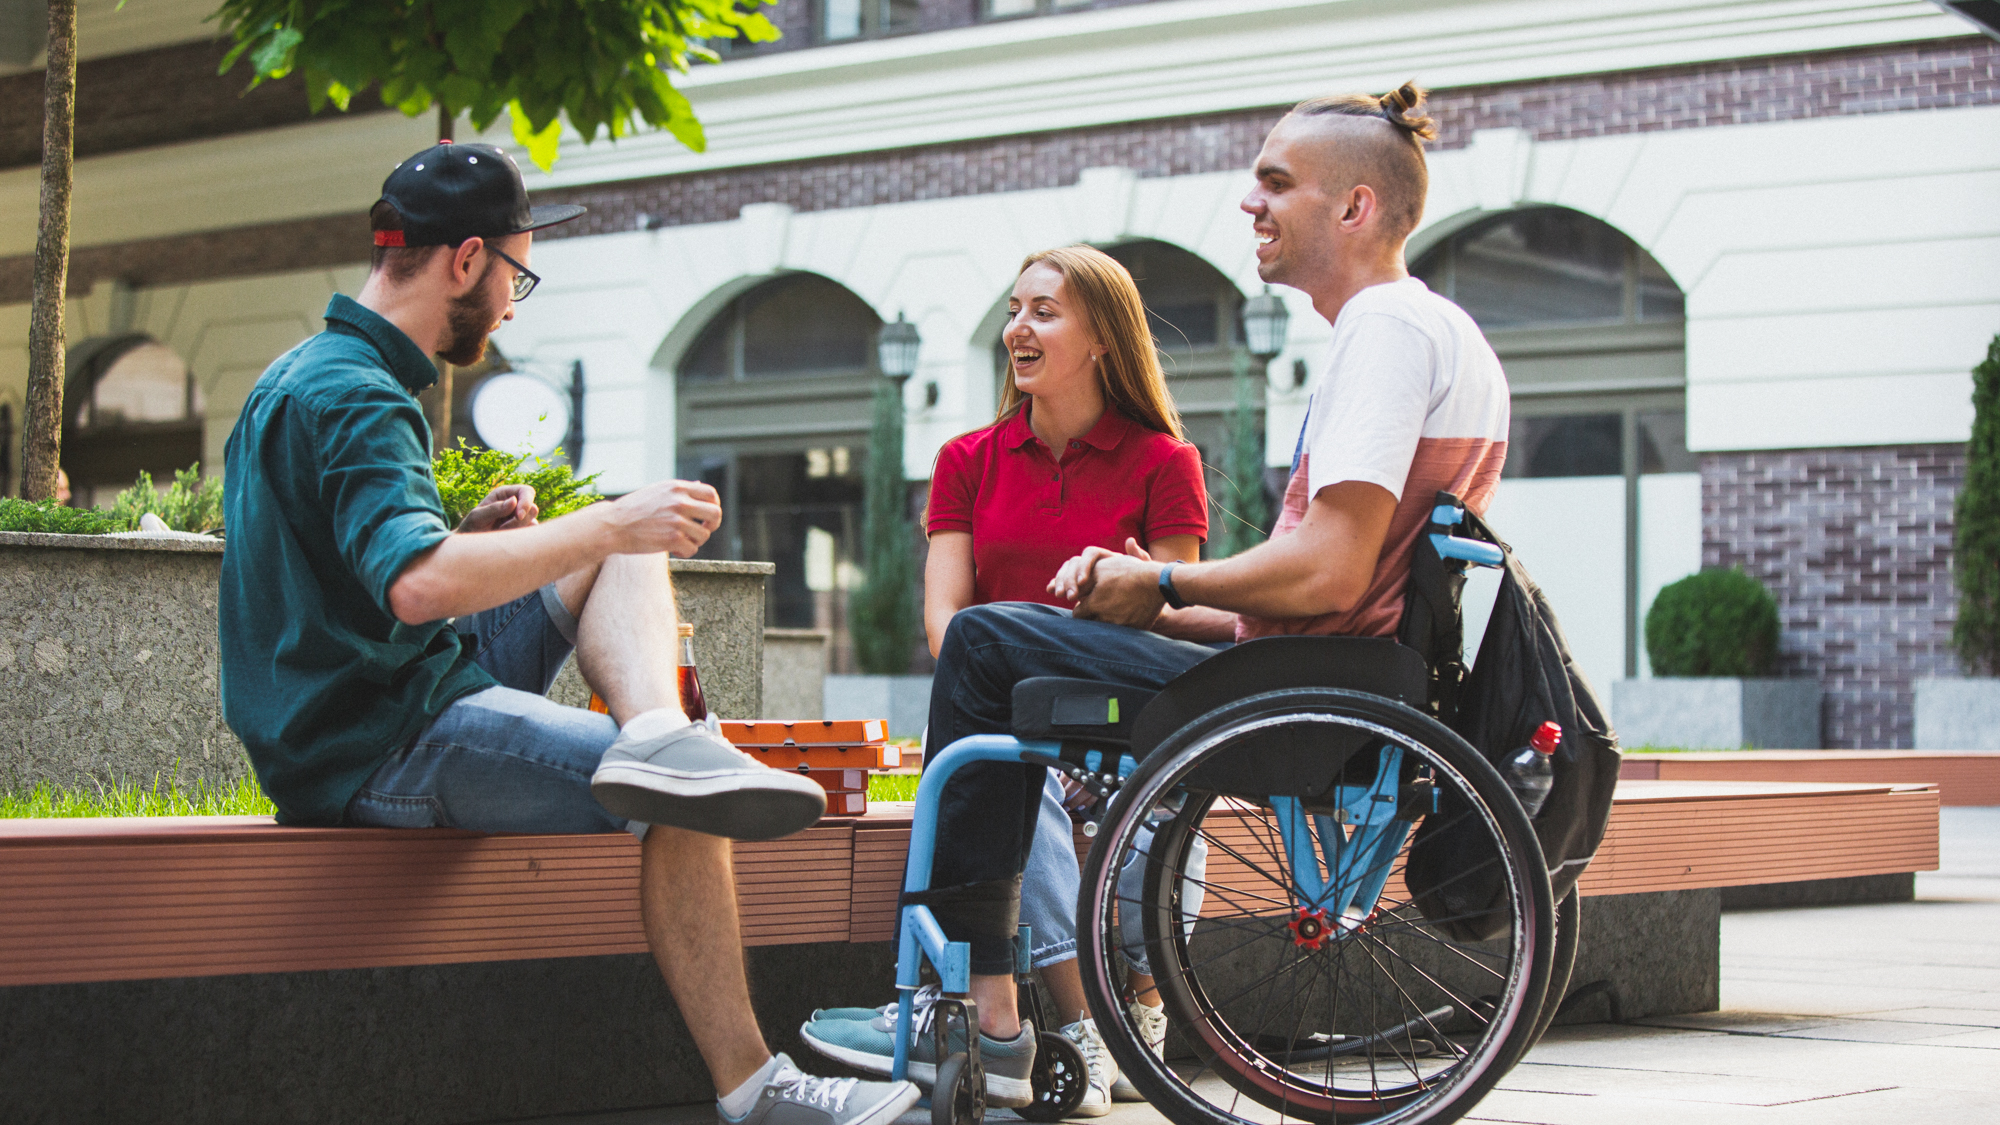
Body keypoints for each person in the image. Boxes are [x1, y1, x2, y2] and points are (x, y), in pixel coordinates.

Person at [806, 81, 1509, 1086]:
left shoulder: (1384, 331)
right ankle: (994, 1013)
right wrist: (1159, 591)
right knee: (995, 643)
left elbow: (1330, 569)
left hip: (1304, 685)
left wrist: (1163, 588)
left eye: (1275, 183)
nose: (1248, 204)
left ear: (1352, 208)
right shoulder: (1446, 332)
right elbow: (1337, 579)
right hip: (1339, 673)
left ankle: (971, 1013)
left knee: (984, 643)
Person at [216, 141, 918, 1125]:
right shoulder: (356, 396)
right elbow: (418, 590)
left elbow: (363, 578)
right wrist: (604, 523)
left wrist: (495, 542)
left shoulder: (314, 370)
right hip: (374, 742)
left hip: (378, 689)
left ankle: (654, 740)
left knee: (613, 559)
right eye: (517, 273)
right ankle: (753, 1088)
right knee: (687, 800)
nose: (512, 300)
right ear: (465, 260)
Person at [801, 246, 1214, 1115]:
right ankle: (1084, 1021)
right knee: (1019, 766)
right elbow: (946, 622)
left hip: (1118, 714)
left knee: (1056, 775)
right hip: (1008, 708)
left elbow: (1167, 618)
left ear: (1103, 336)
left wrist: (1120, 590)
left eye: (1044, 312)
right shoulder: (967, 459)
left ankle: (1073, 1013)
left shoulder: (1165, 461)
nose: (1016, 329)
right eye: (1015, 310)